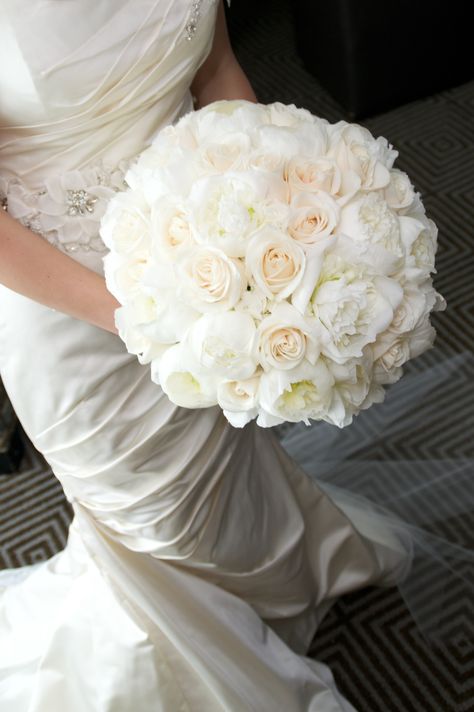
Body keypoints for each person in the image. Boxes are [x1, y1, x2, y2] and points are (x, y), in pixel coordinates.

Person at [0, 2, 473, 710]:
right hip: (78, 326)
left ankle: (269, 597)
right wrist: (153, 321)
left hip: (217, 272)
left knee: (232, 474)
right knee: (158, 528)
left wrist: (278, 221)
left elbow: (217, 72)